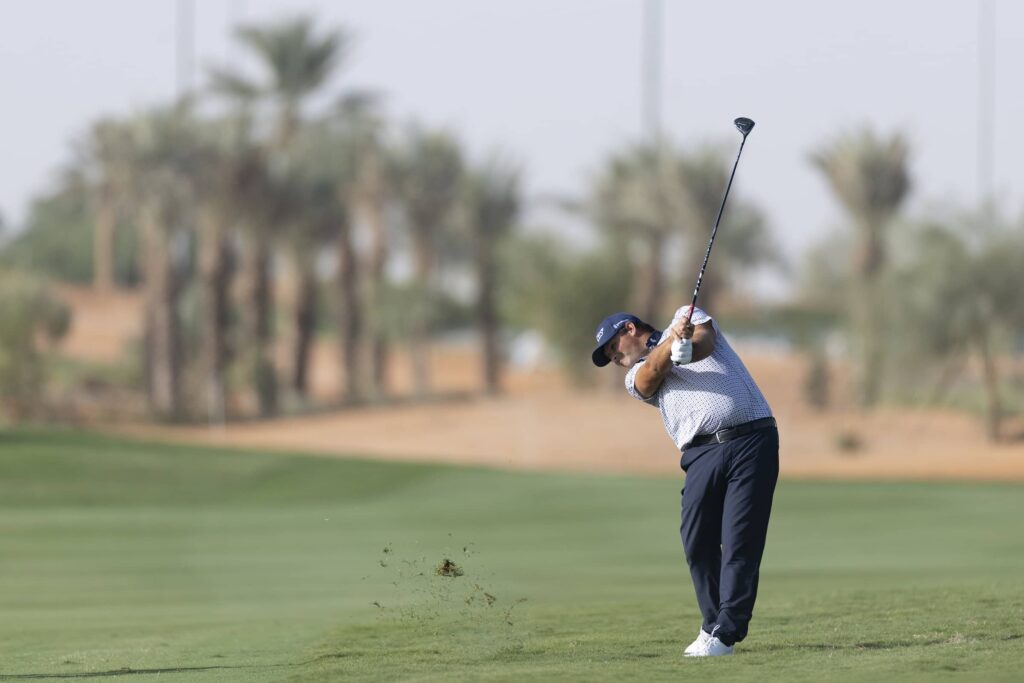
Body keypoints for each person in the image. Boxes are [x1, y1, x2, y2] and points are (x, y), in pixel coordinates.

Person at [591, 305, 779, 658]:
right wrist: (672, 345)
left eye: (613, 348)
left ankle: (725, 633)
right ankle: (712, 623)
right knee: (697, 541)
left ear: (629, 328)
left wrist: (686, 342)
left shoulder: (685, 316)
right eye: (609, 356)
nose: (614, 358)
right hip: (700, 453)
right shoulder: (633, 377)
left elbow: (705, 342)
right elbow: (651, 375)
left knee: (739, 541)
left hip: (753, 439)